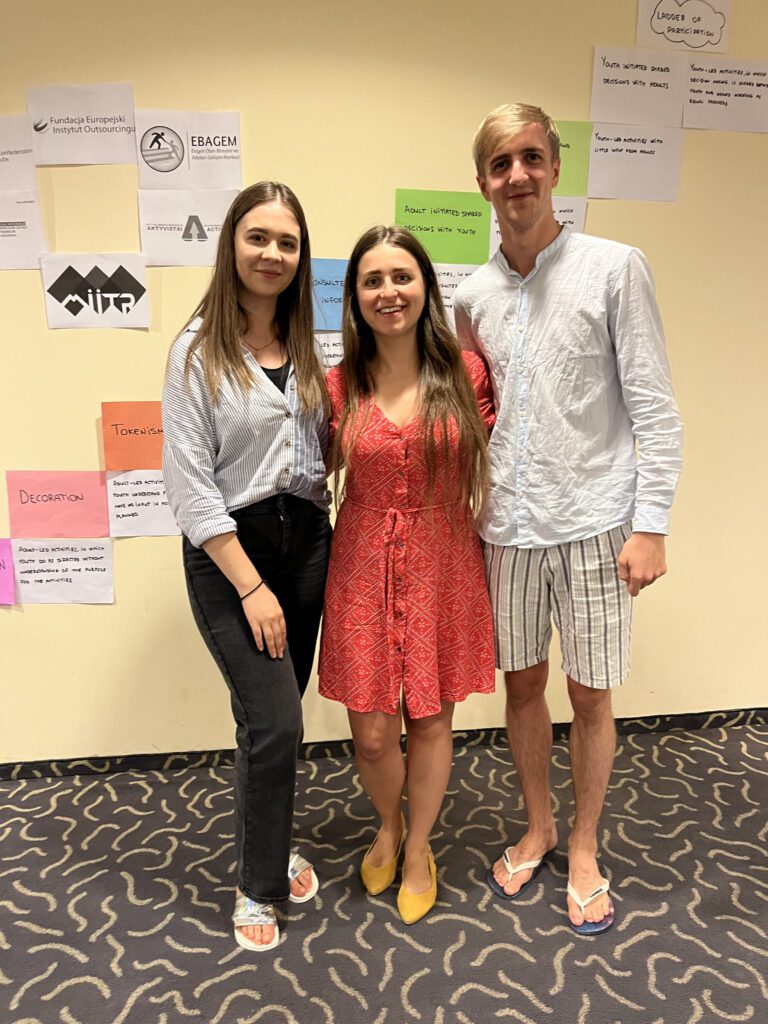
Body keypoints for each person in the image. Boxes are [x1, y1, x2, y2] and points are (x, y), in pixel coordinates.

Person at [454, 104, 683, 935]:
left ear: (555, 167)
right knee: (521, 688)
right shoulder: (470, 296)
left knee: (590, 695)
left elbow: (655, 408)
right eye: (499, 163)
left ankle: (583, 844)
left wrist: (650, 523)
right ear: (482, 183)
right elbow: (472, 417)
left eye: (530, 158)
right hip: (506, 528)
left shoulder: (616, 267)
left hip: (594, 522)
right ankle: (539, 824)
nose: (516, 175)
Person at [162, 181, 332, 952]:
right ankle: (257, 886)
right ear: (232, 243)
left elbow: (327, 451)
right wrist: (252, 585)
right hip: (233, 556)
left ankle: (267, 841)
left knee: (268, 727)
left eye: (288, 243)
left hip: (307, 545)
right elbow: (192, 492)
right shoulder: (195, 351)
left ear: (301, 259)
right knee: (278, 722)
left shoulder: (308, 349)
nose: (272, 254)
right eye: (258, 237)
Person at [318, 226, 496, 925]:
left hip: (443, 559)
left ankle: (417, 846)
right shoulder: (338, 384)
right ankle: (387, 822)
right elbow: (303, 470)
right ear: (355, 298)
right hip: (359, 559)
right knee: (369, 732)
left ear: (425, 286)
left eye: (401, 276)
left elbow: (514, 451)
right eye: (372, 280)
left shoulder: (468, 373)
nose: (388, 292)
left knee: (429, 720)